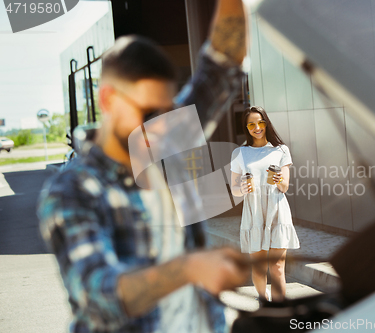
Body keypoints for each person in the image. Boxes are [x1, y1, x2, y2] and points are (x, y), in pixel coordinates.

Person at [36, 1, 250, 332]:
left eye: (167, 112)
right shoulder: (73, 190)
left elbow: (222, 63)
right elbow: (98, 294)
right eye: (149, 113)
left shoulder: (164, 137)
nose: (162, 126)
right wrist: (189, 268)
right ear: (108, 100)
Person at [230, 106, 300, 302]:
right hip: (253, 212)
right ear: (246, 127)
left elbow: (285, 186)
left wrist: (278, 179)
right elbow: (234, 190)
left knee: (277, 268)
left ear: (266, 123)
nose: (257, 127)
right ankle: (264, 301)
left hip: (277, 211)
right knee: (259, 269)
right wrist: (242, 188)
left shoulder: (281, 150)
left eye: (260, 122)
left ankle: (280, 312)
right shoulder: (239, 153)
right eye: (251, 124)